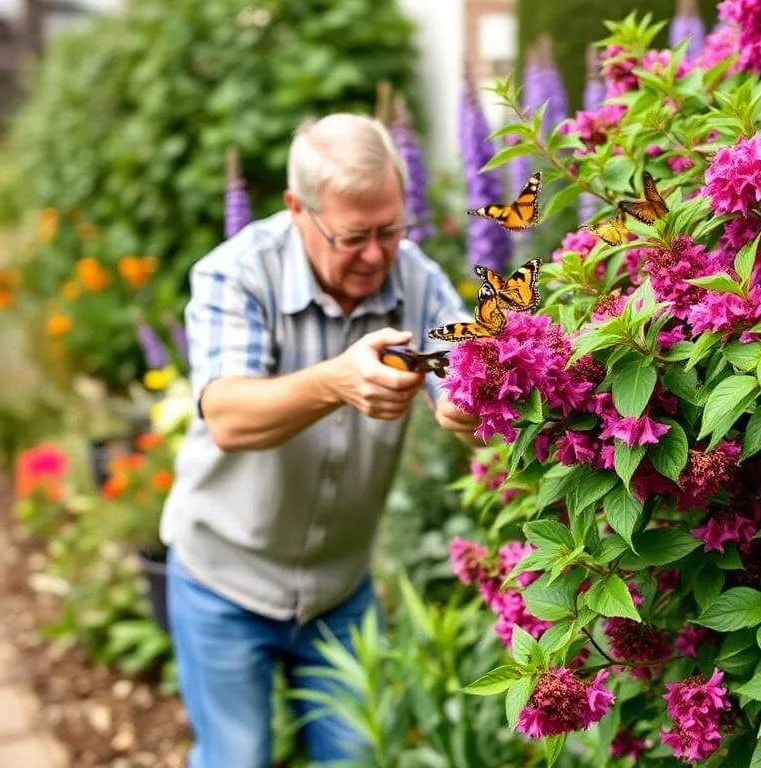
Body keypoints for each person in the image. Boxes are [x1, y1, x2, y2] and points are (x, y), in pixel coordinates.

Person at [161, 113, 482, 767]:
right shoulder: (235, 274)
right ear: (296, 210)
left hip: (341, 591)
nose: (376, 254)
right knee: (236, 758)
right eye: (354, 236)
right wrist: (336, 381)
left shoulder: (414, 277)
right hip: (224, 583)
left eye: (390, 229)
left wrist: (471, 407)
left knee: (361, 758)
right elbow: (227, 415)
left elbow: (470, 369)